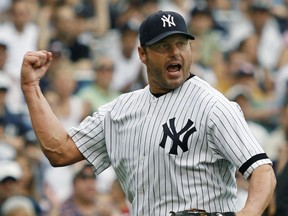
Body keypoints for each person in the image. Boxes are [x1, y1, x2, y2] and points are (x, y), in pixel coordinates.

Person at [20, 10, 276, 216]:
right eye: (164, 46)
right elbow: (59, 151)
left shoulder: (213, 106)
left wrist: (249, 211)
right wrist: (32, 88)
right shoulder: (120, 110)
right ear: (142, 54)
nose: (175, 52)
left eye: (181, 43)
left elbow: (262, 170)